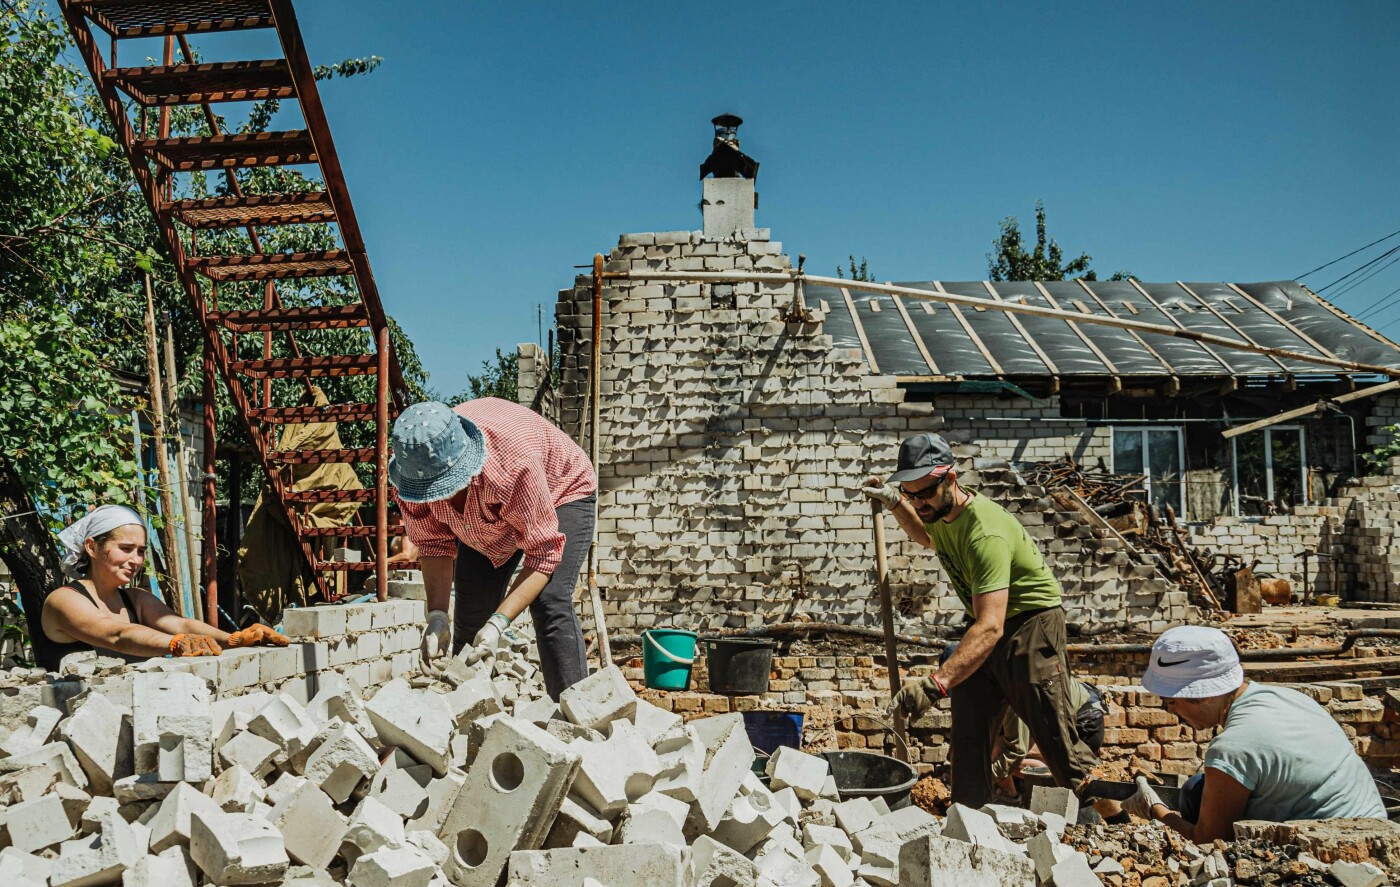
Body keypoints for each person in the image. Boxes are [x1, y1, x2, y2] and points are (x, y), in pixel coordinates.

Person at [862, 432, 1098, 808]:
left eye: (923, 493)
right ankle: (966, 820)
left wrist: (934, 685)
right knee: (969, 738)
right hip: (989, 630)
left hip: (1030, 628)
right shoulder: (939, 512)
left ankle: (1117, 819)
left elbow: (991, 626)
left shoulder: (985, 532)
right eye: (909, 493)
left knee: (1056, 742)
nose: (917, 502)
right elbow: (927, 536)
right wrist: (894, 503)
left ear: (950, 479)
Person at [390, 399, 597, 700]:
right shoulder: (411, 477)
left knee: (549, 601)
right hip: (485, 520)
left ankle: (575, 717)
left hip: (561, 489)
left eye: (444, 489)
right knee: (471, 616)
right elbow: (433, 545)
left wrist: (499, 624)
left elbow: (544, 554)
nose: (438, 500)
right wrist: (436, 616)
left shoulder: (512, 467)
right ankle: (462, 719)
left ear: (465, 468)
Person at [1124, 626, 1386, 841]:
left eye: (1171, 702)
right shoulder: (1291, 698)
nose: (1172, 712)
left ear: (1200, 697)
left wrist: (1155, 810)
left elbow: (1209, 842)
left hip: (1328, 851)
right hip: (1379, 829)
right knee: (1196, 788)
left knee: (1195, 798)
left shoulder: (1231, 749)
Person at [37, 505, 288, 671]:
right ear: (91, 547)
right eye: (125, 549)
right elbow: (117, 635)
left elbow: (182, 625)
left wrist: (234, 639)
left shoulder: (135, 598)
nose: (135, 560)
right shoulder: (64, 600)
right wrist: (175, 643)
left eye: (141, 551)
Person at [936, 642, 1106, 798]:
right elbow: (969, 730)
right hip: (1056, 720)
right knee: (992, 744)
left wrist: (980, 781)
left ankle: (1070, 786)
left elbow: (1015, 750)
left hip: (1084, 724)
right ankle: (1010, 793)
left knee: (1004, 755)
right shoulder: (993, 676)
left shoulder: (1009, 685)